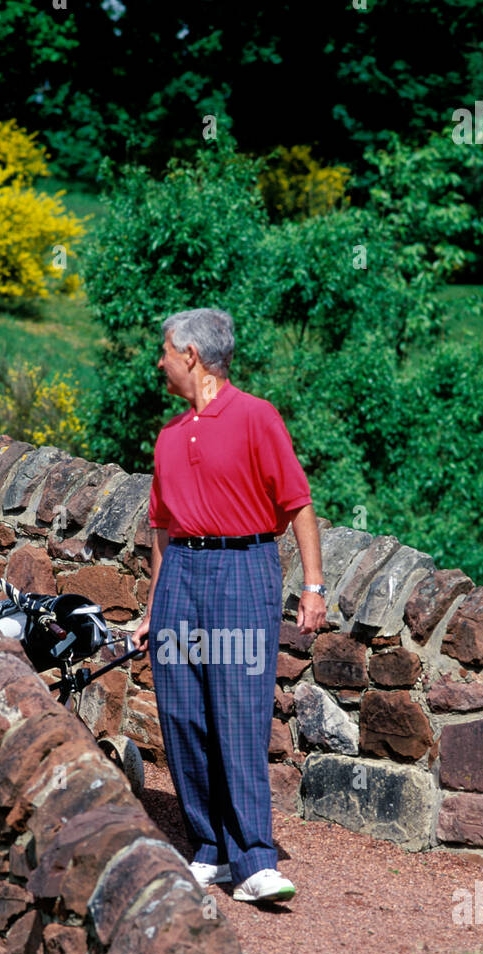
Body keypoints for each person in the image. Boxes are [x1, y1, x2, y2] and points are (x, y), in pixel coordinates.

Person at [133, 308, 326, 905]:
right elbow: (162, 531)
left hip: (243, 570)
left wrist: (313, 586)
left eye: (165, 350)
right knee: (184, 715)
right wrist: (152, 608)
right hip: (181, 578)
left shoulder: (256, 417)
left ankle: (255, 860)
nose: (159, 361)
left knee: (238, 713)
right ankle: (210, 848)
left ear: (190, 354)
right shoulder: (168, 434)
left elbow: (297, 502)